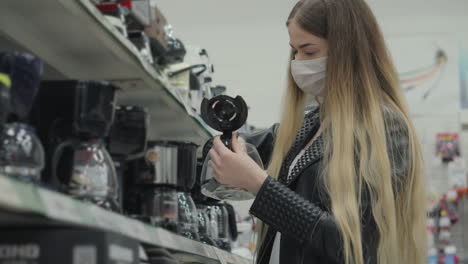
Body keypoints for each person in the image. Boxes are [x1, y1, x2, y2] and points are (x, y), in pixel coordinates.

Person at [207, 0, 427, 263]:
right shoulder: (308, 125)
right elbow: (235, 146)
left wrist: (259, 185)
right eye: (294, 52)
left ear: (348, 51)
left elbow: (352, 247)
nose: (298, 62)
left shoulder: (385, 129)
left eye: (309, 52)